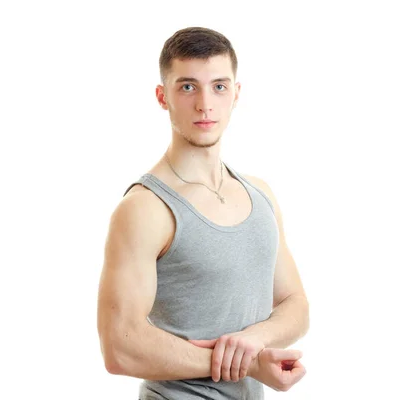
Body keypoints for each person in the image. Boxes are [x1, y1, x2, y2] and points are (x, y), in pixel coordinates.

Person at [97, 26, 310, 399]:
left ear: (236, 94)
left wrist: (254, 340)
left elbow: (296, 305)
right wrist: (244, 364)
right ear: (163, 97)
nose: (205, 104)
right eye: (188, 86)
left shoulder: (261, 194)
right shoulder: (145, 209)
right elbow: (120, 348)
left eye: (219, 86)